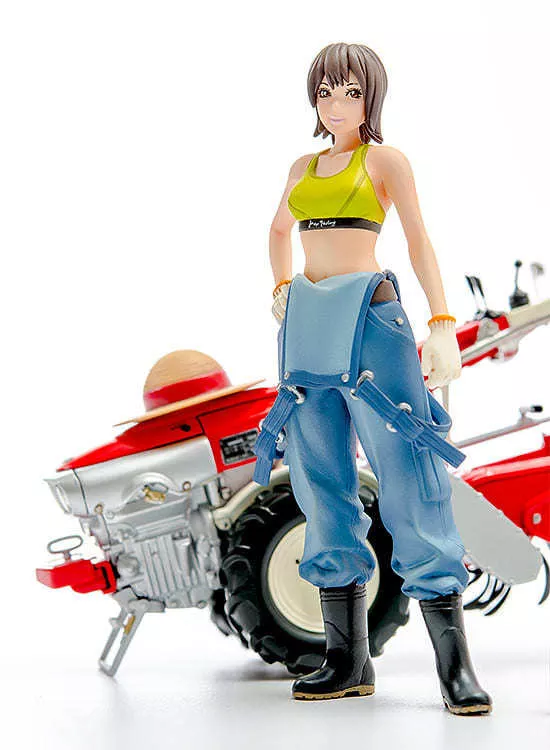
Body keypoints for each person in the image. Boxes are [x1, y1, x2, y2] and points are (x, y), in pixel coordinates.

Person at [252, 42, 492, 715]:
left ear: (371, 99)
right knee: (319, 480)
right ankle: (346, 658)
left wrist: (441, 321)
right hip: (305, 332)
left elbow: (417, 238)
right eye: (326, 91)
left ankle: (455, 667)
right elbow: (278, 230)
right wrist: (279, 285)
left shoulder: (383, 161)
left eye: (351, 92)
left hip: (371, 326)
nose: (336, 104)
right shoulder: (301, 167)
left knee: (409, 477)